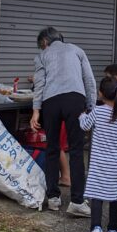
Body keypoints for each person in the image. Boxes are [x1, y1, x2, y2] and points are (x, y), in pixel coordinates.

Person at [30, 26, 96, 217]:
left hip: (51, 101)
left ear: (44, 42)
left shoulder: (42, 56)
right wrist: (90, 107)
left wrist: (36, 111)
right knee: (76, 150)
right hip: (74, 99)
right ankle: (77, 201)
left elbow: (40, 83)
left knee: (52, 147)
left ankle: (53, 198)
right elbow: (89, 80)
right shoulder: (77, 50)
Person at [79, 77, 117, 232]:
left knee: (97, 195)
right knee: (115, 196)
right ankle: (113, 231)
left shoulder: (97, 111)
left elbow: (85, 126)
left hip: (99, 163)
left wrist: (81, 116)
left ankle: (95, 228)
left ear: (100, 94)